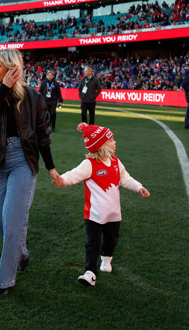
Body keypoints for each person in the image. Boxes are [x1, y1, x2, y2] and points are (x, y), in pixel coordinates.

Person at [0, 48, 60, 298]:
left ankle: (5, 281)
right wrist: (4, 90)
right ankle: (21, 250)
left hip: (23, 161)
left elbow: (43, 138)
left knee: (12, 222)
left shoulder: (34, 96)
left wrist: (51, 169)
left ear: (13, 68)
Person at [55, 123, 150, 287]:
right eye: (111, 140)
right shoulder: (89, 164)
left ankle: (106, 259)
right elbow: (75, 174)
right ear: (101, 146)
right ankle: (90, 272)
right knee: (93, 243)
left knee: (111, 239)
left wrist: (139, 187)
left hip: (113, 213)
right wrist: (62, 180)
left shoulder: (115, 162)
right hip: (94, 214)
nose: (115, 142)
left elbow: (126, 179)